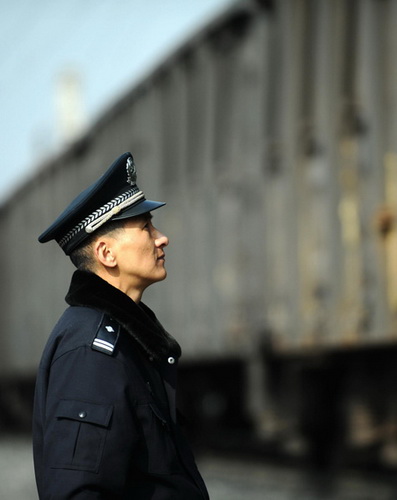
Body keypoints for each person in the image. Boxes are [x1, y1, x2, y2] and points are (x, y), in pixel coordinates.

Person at [33, 152, 210, 499]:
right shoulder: (91, 352)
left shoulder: (124, 338)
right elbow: (79, 490)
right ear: (106, 254)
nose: (162, 238)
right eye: (146, 228)